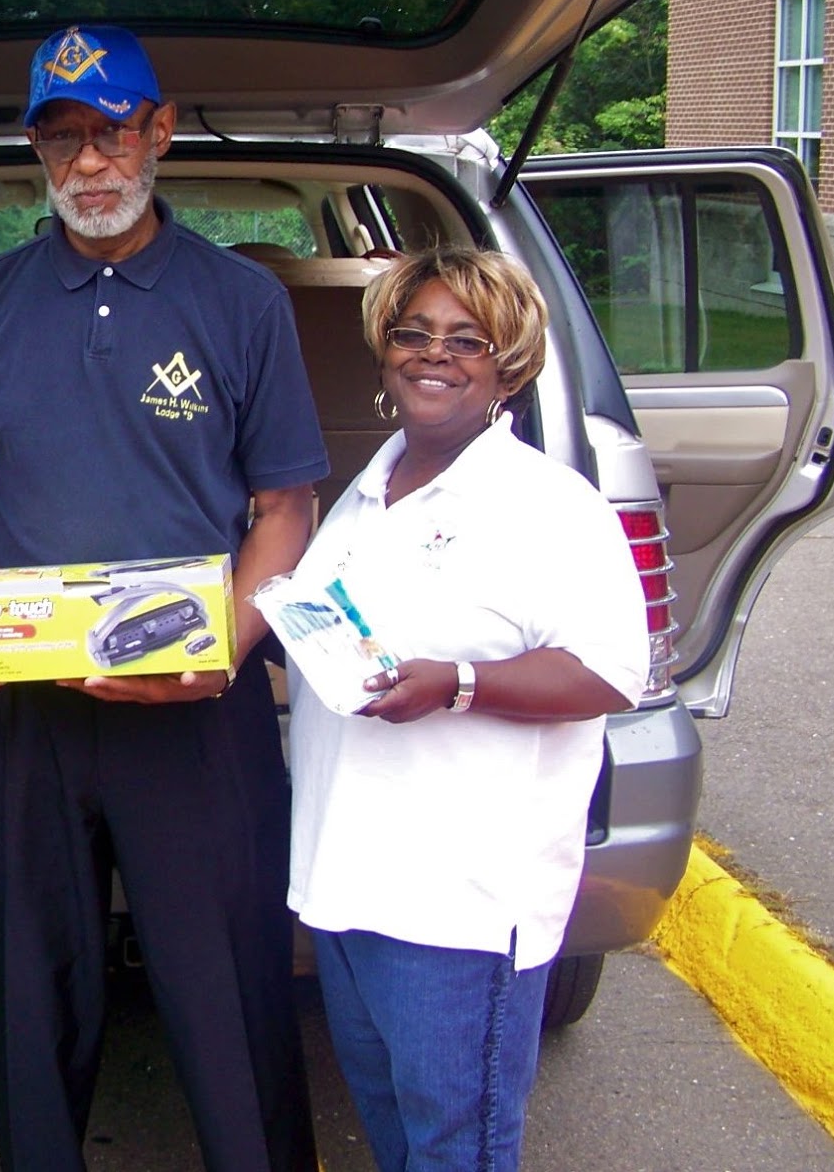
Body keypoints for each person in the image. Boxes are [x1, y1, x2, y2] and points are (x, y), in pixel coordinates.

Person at [0, 24, 327, 1172]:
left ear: (160, 130)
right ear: (37, 151)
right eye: (61, 137)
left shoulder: (242, 302)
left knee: (230, 983)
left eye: (111, 133)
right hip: (29, 707)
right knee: (34, 996)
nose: (89, 163)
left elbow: (284, 508)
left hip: (197, 708)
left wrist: (228, 647)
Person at [285, 246, 650, 1171]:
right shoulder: (369, 489)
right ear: (383, 350)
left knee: (456, 1150)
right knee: (401, 1139)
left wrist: (460, 683)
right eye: (413, 334)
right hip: (349, 887)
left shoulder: (548, 506)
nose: (432, 356)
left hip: (461, 909)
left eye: (466, 340)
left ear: (509, 364)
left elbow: (610, 673)